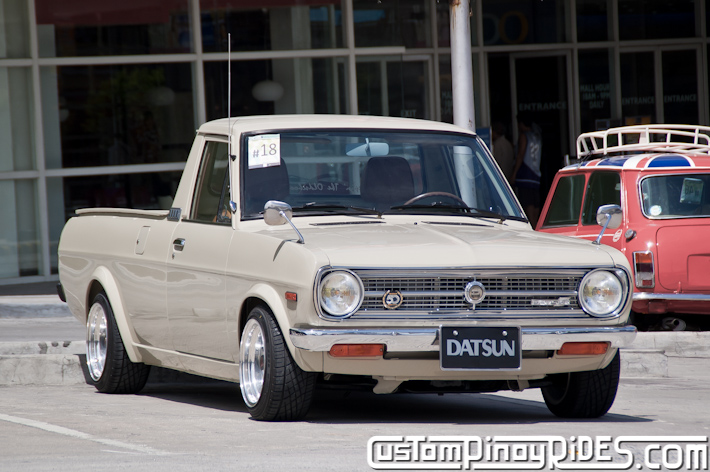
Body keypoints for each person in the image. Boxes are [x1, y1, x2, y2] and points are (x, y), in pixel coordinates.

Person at [512, 114, 542, 227]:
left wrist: (514, 174)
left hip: (525, 174)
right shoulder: (537, 137)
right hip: (535, 174)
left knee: (527, 204)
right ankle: (536, 226)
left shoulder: (524, 136)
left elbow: (521, 155)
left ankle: (533, 228)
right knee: (535, 205)